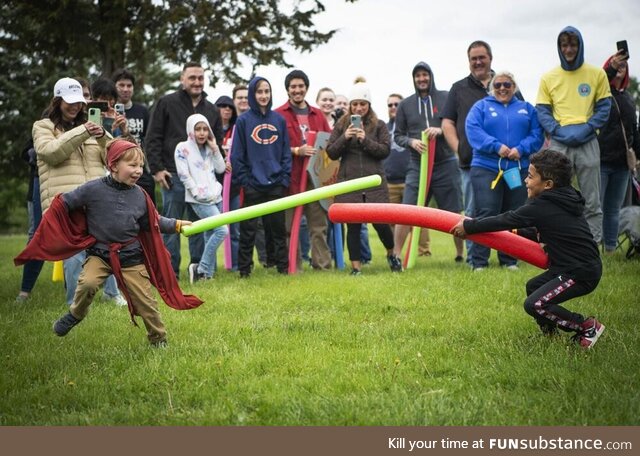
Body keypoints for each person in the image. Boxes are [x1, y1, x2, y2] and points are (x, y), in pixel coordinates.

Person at [17, 139, 198, 347]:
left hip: (131, 256)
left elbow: (153, 222)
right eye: (132, 165)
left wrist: (176, 224)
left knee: (146, 302)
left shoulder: (140, 195)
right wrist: (55, 212)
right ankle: (75, 314)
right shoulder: (93, 189)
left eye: (140, 166)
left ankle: (158, 339)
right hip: (100, 254)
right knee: (88, 283)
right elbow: (66, 202)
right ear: (113, 165)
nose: (138, 171)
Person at [451, 149, 605, 349]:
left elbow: (506, 218)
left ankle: (586, 326)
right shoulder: (562, 200)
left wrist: (470, 226)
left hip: (579, 272)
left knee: (535, 304)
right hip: (570, 268)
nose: (525, 180)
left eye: (531, 177)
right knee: (533, 287)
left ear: (548, 185)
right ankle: (551, 336)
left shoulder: (543, 205)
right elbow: (542, 230)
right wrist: (515, 232)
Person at [32, 77, 120, 307]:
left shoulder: (89, 127)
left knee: (108, 246)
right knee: (74, 256)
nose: (75, 106)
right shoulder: (42, 127)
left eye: (79, 101)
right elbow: (51, 153)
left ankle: (113, 294)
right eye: (69, 101)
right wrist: (83, 131)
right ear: (57, 100)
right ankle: (75, 303)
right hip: (64, 203)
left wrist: (103, 135)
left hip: (95, 200)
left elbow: (112, 157)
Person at [145, 62, 223, 278]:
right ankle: (170, 272)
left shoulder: (211, 109)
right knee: (172, 226)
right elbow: (153, 137)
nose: (197, 82)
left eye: (200, 78)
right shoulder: (166, 103)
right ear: (182, 79)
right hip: (173, 177)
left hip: (203, 181)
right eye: (192, 78)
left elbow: (217, 141)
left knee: (199, 226)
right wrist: (157, 169)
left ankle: (197, 270)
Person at [536, 26, 612, 244]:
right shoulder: (548, 77)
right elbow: (542, 110)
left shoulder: (596, 73)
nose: (569, 49)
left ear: (580, 46)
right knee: (554, 196)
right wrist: (558, 131)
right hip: (559, 144)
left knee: (591, 199)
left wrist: (587, 128)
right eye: (564, 45)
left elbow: (604, 108)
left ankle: (591, 245)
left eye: (573, 44)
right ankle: (555, 244)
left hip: (588, 141)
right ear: (559, 48)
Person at [465, 71, 544, 271]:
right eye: (498, 84)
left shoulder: (527, 108)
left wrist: (521, 149)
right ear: (492, 87)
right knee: (486, 212)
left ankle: (510, 260)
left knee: (514, 214)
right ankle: (479, 262)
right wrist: (496, 146)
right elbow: (473, 130)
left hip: (518, 168)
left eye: (507, 85)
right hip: (486, 166)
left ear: (514, 86)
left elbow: (537, 134)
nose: (502, 88)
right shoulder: (481, 107)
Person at [326, 77, 402, 275]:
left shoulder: (379, 125)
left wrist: (364, 139)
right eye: (355, 104)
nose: (359, 108)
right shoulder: (342, 125)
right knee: (353, 226)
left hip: (374, 183)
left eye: (363, 104)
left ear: (369, 105)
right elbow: (331, 152)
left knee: (381, 224)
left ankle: (391, 255)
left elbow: (385, 151)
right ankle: (356, 267)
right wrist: (346, 137)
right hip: (349, 183)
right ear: (350, 106)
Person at [393, 62, 464, 264]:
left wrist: (441, 131)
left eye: (425, 75)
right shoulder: (405, 105)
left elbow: (457, 124)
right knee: (407, 210)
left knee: (454, 210)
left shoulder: (445, 97)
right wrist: (411, 142)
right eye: (418, 76)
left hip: (445, 163)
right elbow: (398, 136)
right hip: (417, 164)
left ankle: (460, 254)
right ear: (414, 79)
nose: (422, 79)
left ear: (431, 76)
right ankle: (396, 256)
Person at [442, 41, 500, 266]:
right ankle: (475, 258)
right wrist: (459, 149)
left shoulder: (504, 83)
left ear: (490, 58)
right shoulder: (459, 88)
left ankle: (509, 257)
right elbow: (447, 123)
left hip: (503, 162)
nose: (477, 62)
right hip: (470, 163)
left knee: (505, 211)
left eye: (481, 57)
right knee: (473, 211)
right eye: (473, 59)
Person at [230, 76, 291, 278]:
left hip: (275, 184)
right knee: (248, 230)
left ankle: (283, 269)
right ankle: (245, 270)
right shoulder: (243, 121)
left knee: (278, 230)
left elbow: (285, 153)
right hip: (252, 185)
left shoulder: (279, 120)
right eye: (259, 92)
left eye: (267, 91)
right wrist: (246, 182)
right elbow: (237, 156)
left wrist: (283, 179)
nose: (263, 96)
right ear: (252, 95)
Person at [275, 69, 332, 271]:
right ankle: (293, 266)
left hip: (314, 179)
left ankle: (322, 266)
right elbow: (274, 147)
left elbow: (329, 144)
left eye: (301, 86)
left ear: (306, 88)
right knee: (290, 227)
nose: (297, 90)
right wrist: (295, 150)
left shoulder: (318, 114)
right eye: (293, 87)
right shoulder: (279, 115)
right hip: (291, 178)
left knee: (318, 225)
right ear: (288, 90)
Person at [175, 114, 229, 283]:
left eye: (205, 129)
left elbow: (221, 169)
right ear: (191, 129)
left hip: (216, 196)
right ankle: (200, 268)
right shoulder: (182, 147)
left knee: (209, 234)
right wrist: (196, 192)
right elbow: (183, 174)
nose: (202, 133)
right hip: (199, 199)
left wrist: (215, 149)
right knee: (222, 230)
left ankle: (207, 276)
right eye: (198, 129)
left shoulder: (209, 148)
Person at [598, 51, 639, 254]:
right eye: (617, 66)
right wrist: (611, 67)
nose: (620, 68)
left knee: (614, 208)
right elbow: (602, 78)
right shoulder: (601, 94)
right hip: (601, 159)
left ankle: (610, 248)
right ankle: (592, 247)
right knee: (596, 208)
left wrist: (637, 155)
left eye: (624, 66)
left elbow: (634, 128)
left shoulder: (628, 98)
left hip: (622, 162)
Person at [111, 68, 155, 204]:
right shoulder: (108, 112)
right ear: (115, 87)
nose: (125, 89)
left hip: (141, 169)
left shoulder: (142, 111)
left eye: (129, 86)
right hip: (118, 170)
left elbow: (149, 139)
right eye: (121, 85)